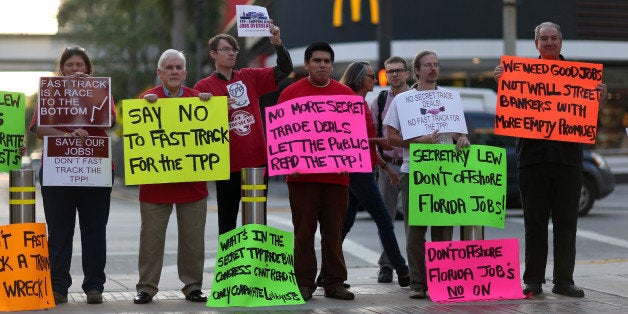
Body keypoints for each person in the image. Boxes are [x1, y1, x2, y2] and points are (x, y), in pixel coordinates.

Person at [493, 22, 608, 298]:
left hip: (568, 161)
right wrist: (503, 84)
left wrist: (598, 101)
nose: (549, 42)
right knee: (534, 223)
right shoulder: (520, 76)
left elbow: (588, 118)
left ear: (561, 42)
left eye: (554, 38)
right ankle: (533, 280)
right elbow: (511, 110)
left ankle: (564, 280)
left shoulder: (579, 78)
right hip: (532, 160)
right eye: (543, 38)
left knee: (567, 223)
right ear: (535, 44)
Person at [29, 46, 116, 305]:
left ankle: (94, 286)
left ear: (88, 69)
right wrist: (66, 136)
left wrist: (87, 97)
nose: (76, 70)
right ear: (61, 69)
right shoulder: (50, 93)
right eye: (70, 66)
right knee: (59, 231)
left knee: (95, 230)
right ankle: (58, 287)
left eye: (80, 66)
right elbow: (39, 128)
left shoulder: (101, 90)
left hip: (96, 169)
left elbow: (110, 121)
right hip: (58, 170)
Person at [384, 50, 470, 299]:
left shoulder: (450, 98)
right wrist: (418, 140)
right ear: (417, 70)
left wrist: (462, 138)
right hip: (414, 170)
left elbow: (457, 132)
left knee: (443, 228)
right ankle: (418, 284)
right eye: (428, 65)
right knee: (416, 229)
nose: (433, 69)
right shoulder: (404, 100)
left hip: (444, 170)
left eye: (436, 65)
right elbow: (390, 138)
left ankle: (441, 281)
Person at [194, 21, 293, 235]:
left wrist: (277, 43)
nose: (232, 54)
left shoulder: (249, 76)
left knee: (256, 223)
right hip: (225, 165)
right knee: (227, 224)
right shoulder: (203, 87)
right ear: (213, 54)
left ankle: (255, 267)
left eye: (234, 50)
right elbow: (198, 128)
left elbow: (285, 69)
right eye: (226, 50)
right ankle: (228, 267)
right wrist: (205, 104)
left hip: (256, 164)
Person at [276, 42, 355, 301]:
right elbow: (280, 134)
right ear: (307, 64)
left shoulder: (346, 94)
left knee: (334, 232)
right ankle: (303, 283)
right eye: (317, 61)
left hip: (337, 177)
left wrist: (352, 157)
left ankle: (334, 282)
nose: (322, 65)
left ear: (332, 65)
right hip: (301, 178)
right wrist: (289, 164)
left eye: (327, 61)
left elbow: (358, 134)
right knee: (304, 231)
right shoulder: (291, 93)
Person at [133, 49, 212, 305]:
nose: (174, 72)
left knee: (193, 240)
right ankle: (146, 287)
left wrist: (210, 106)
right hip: (156, 188)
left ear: (185, 72)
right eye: (169, 67)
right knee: (151, 240)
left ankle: (193, 287)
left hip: (192, 186)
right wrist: (146, 106)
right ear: (160, 73)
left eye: (179, 67)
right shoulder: (146, 100)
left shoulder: (198, 101)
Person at [337, 61, 410, 287]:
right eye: (370, 76)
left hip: (365, 167)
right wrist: (381, 141)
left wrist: (385, 167)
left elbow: (365, 145)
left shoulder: (361, 103)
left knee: (345, 225)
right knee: (383, 219)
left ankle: (328, 273)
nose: (374, 80)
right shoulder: (352, 103)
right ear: (359, 78)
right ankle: (401, 269)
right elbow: (353, 140)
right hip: (358, 171)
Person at [369, 56, 411, 283]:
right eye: (390, 71)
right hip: (389, 167)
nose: (394, 74)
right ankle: (387, 265)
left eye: (398, 70)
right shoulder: (381, 100)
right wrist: (381, 165)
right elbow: (373, 135)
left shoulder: (416, 99)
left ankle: (415, 265)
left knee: (414, 219)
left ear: (407, 73)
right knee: (386, 217)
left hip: (414, 166)